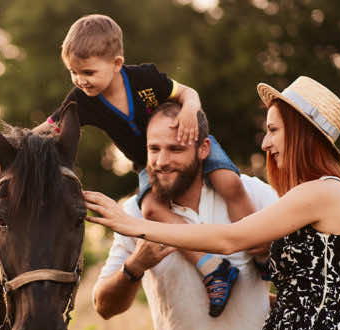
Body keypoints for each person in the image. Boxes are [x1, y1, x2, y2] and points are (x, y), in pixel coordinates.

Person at [85, 76, 340, 330]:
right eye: (154, 149)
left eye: (274, 130)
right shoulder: (314, 194)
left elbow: (230, 239)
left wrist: (132, 225)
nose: (265, 143)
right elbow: (317, 287)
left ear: (301, 132)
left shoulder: (318, 192)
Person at [92, 101, 279, 330]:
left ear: (204, 149)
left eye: (175, 150)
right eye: (154, 149)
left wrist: (270, 261)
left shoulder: (252, 194)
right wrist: (135, 267)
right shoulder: (133, 214)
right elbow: (103, 305)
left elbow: (306, 275)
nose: (161, 161)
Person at [34, 14, 255, 239]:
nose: (81, 80)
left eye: (88, 72)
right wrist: (15, 142)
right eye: (74, 72)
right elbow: (50, 126)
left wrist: (190, 107)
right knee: (151, 209)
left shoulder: (145, 79)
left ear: (116, 64)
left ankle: (259, 246)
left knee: (229, 182)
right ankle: (210, 264)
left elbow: (187, 93)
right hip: (147, 164)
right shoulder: (81, 101)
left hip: (187, 143)